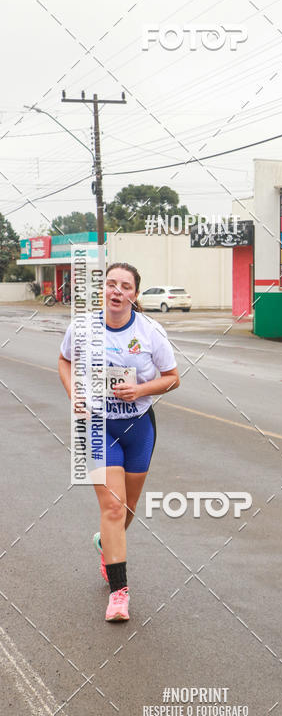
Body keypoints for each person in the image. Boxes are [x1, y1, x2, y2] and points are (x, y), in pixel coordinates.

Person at [58, 262, 180, 622]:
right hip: (97, 425)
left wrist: (140, 389)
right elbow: (65, 362)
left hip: (138, 426)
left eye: (124, 286)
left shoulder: (150, 332)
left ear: (134, 294)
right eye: (111, 284)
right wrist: (73, 394)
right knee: (113, 508)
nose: (116, 291)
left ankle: (105, 545)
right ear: (103, 290)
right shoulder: (81, 328)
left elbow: (173, 379)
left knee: (127, 509)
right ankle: (119, 594)